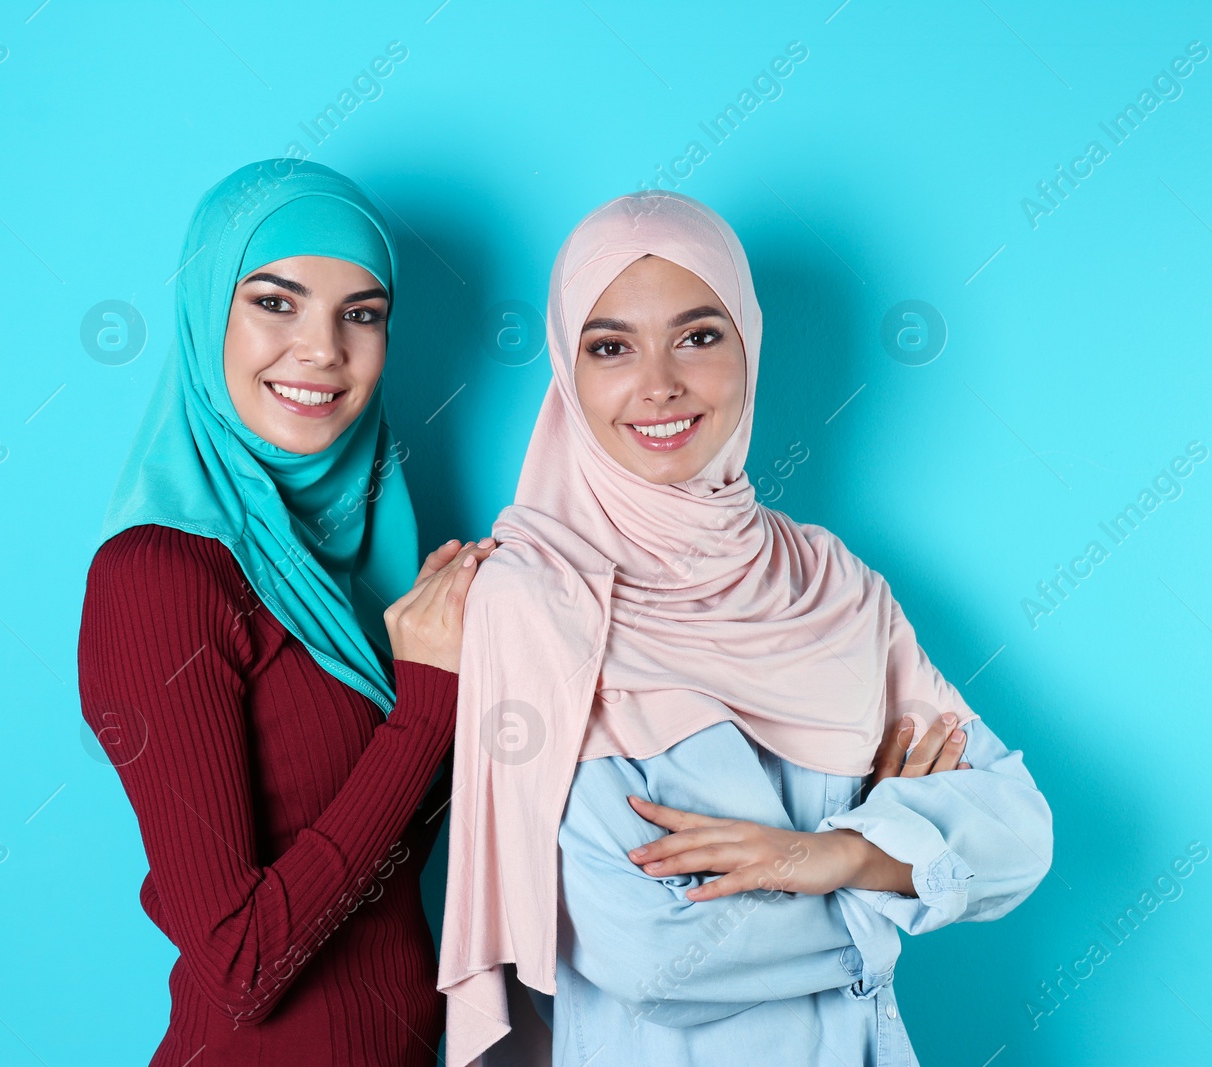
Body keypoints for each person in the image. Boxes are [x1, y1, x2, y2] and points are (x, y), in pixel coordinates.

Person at [436, 191, 1053, 1066]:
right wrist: (893, 883)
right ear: (568, 373)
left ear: (748, 345)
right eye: (611, 346)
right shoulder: (537, 597)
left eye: (698, 335)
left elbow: (1020, 833)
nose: (659, 384)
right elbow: (640, 949)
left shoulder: (831, 582)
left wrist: (830, 854)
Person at [78, 158, 489, 1066]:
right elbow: (242, 964)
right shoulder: (159, 576)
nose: (322, 350)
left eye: (362, 313)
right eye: (275, 302)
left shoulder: (356, 569)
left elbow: (382, 868)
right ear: (205, 313)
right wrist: (427, 703)